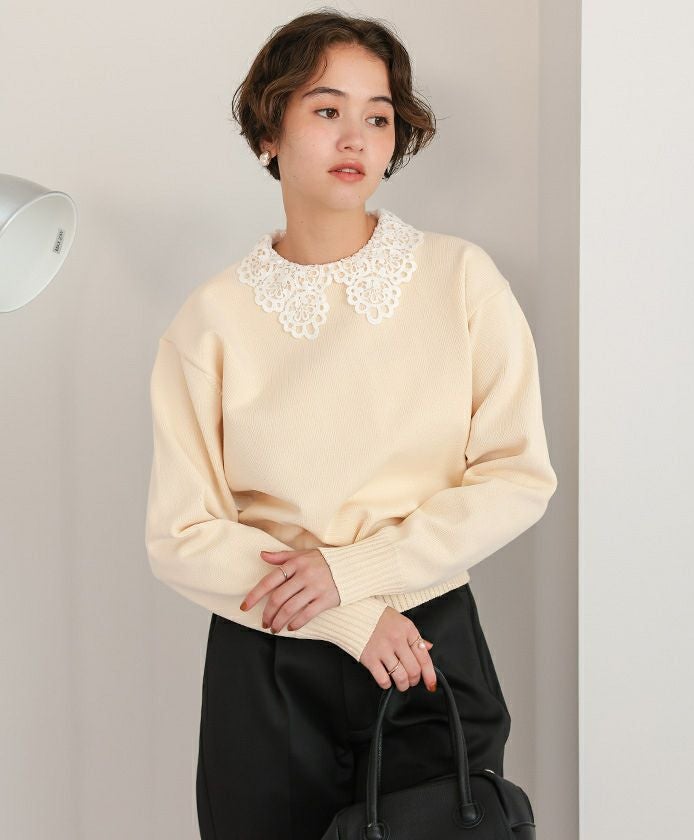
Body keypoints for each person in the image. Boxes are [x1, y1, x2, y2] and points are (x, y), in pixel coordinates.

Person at [144, 9, 558, 839]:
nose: (355, 138)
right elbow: (181, 534)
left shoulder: (460, 280)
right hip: (270, 656)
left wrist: (359, 573)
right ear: (269, 131)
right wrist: (342, 613)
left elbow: (517, 477)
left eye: (378, 117)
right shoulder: (212, 320)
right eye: (327, 109)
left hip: (425, 645)